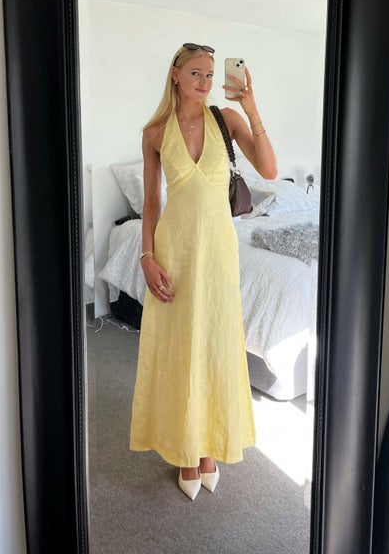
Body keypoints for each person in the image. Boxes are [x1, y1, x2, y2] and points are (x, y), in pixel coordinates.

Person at [130, 43, 277, 500]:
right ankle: (184, 448)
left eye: (210, 74)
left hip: (218, 252)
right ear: (175, 74)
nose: (206, 82)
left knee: (215, 344)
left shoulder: (225, 120)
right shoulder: (155, 133)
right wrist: (147, 258)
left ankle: (209, 444)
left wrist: (250, 107)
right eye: (196, 73)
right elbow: (151, 202)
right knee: (179, 347)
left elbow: (270, 170)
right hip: (175, 250)